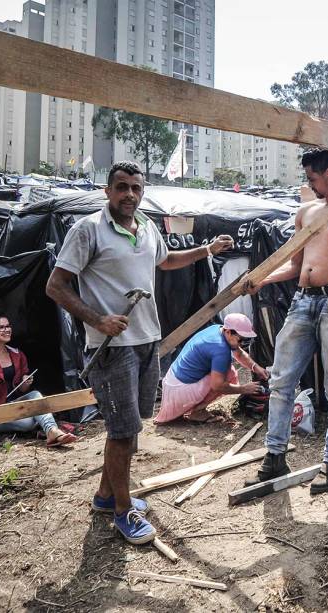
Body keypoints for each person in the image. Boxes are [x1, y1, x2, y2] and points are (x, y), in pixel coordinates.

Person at [46, 160, 233, 545]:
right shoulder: (88, 230)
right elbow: (56, 286)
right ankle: (123, 511)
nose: (129, 194)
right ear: (107, 191)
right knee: (122, 432)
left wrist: (207, 249)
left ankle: (104, 496)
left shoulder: (147, 226)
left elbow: (166, 261)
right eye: (121, 187)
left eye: (135, 187)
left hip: (147, 340)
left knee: (132, 427)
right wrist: (97, 320)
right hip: (112, 348)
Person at [242, 148, 328, 493]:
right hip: (303, 301)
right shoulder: (306, 212)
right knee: (281, 379)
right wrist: (263, 279)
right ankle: (275, 456)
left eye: (313, 178)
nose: (310, 184)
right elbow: (294, 265)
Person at [0, 315, 78, 447]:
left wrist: (25, 383)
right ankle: (44, 418)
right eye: (1, 327)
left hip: (14, 406)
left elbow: (22, 390)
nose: (7, 329)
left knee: (35, 395)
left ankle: (52, 431)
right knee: (28, 422)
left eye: (8, 326)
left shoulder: (17, 354)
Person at [155, 313, 269, 424]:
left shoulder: (218, 329)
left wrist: (256, 367)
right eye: (241, 340)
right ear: (228, 332)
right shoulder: (220, 349)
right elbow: (217, 386)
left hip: (172, 382)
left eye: (246, 340)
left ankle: (194, 407)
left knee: (229, 372)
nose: (242, 343)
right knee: (228, 376)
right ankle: (197, 412)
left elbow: (238, 353)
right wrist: (244, 389)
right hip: (179, 390)